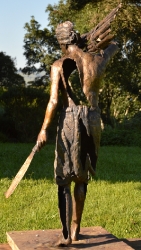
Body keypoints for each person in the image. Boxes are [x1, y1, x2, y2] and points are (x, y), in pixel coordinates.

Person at [36, 19, 119, 246]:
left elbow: (54, 102)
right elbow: (113, 47)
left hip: (71, 120)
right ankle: (75, 229)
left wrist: (43, 130)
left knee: (64, 178)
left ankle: (66, 236)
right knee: (82, 178)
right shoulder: (96, 60)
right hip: (92, 120)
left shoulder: (58, 65)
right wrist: (108, 43)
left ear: (63, 43)